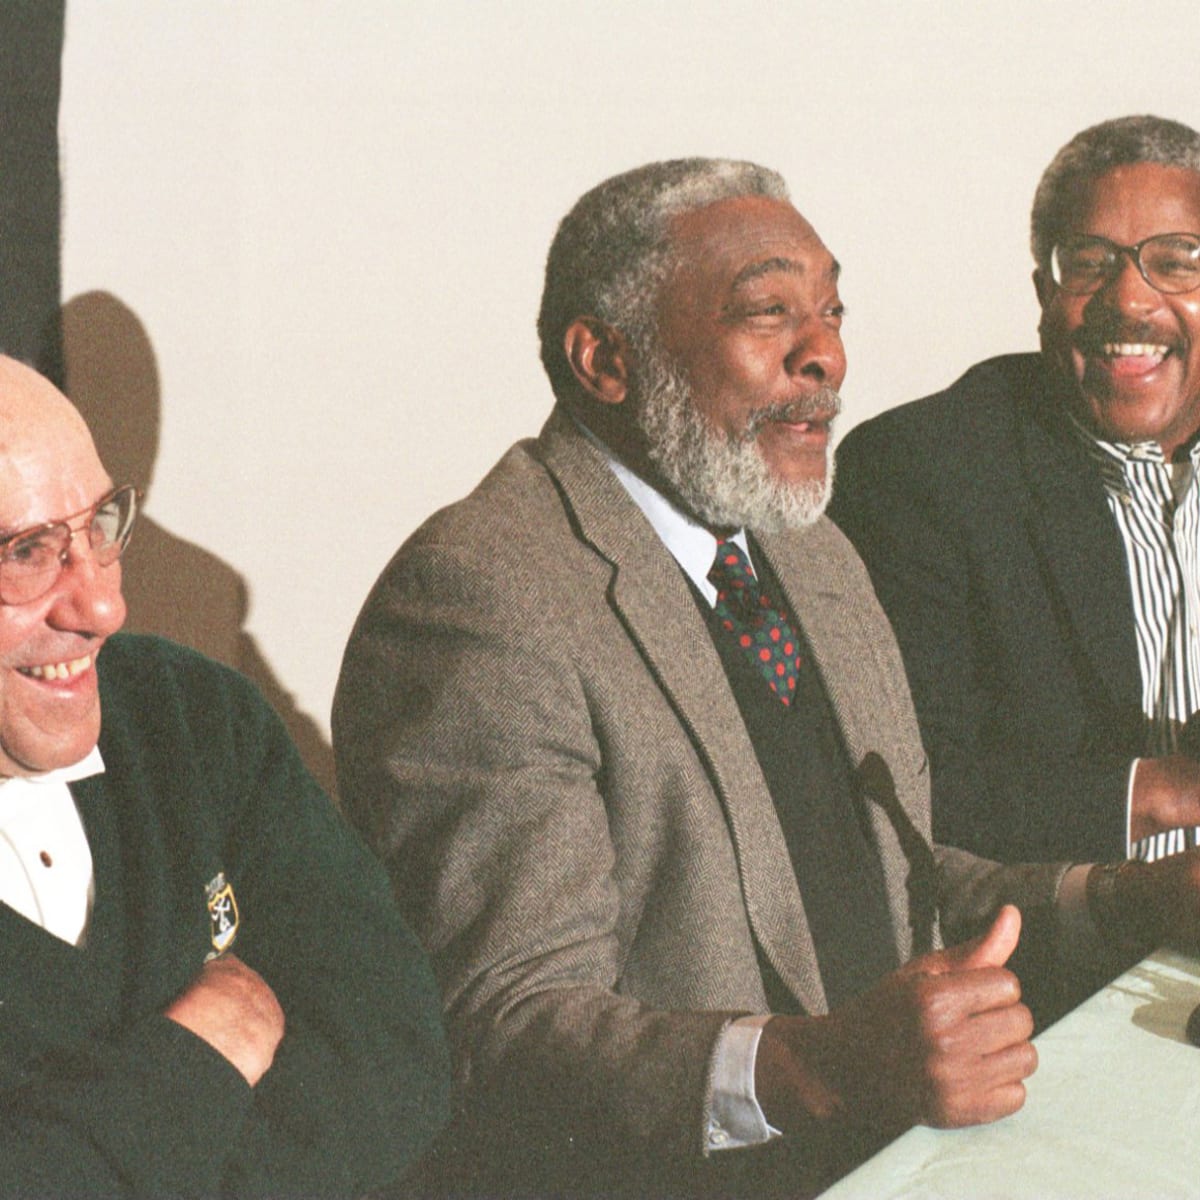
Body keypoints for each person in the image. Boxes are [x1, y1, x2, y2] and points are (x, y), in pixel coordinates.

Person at [333, 158, 1200, 1199]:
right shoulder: (481, 600)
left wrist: (1137, 898)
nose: (825, 354)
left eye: (831, 310)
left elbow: (911, 878)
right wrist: (814, 1067)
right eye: (767, 314)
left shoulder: (806, 550)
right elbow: (507, 1024)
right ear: (604, 360)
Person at [0, 355, 449, 1197]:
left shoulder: (189, 717)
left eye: (98, 525)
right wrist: (201, 1052)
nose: (100, 609)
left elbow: (396, 1053)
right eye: (25, 553)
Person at [831, 115, 1200, 873]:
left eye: (1178, 261)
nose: (1130, 300)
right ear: (1043, 294)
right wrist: (1169, 791)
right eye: (1090, 263)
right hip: (1063, 960)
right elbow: (901, 791)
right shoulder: (922, 473)